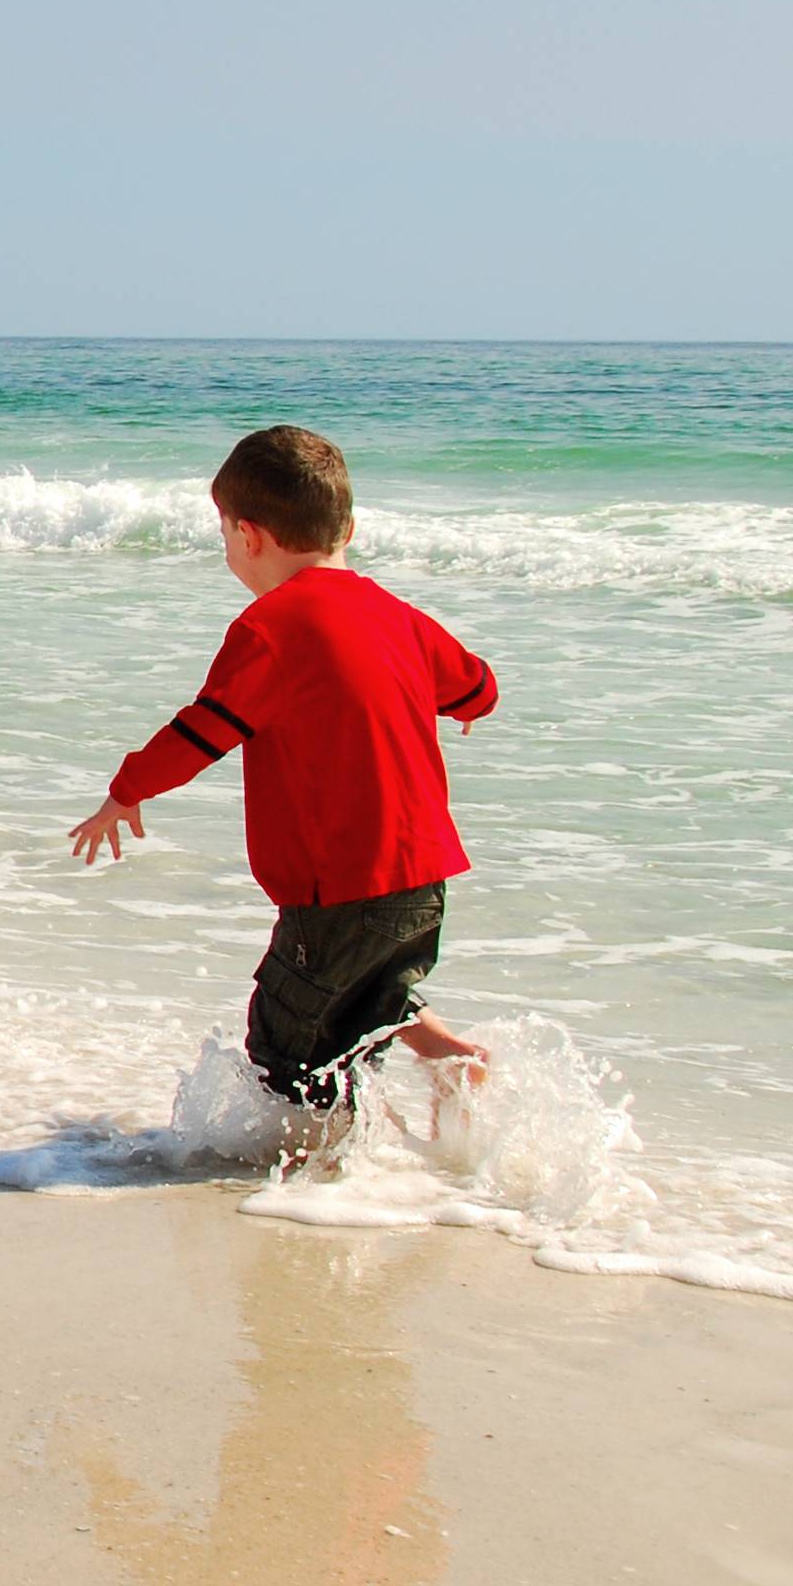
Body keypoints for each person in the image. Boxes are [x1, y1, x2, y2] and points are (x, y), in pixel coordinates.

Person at [67, 424, 496, 1109]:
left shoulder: (269, 629)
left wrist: (126, 792)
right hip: (423, 879)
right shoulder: (399, 616)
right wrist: (469, 705)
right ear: (347, 527)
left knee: (287, 1051)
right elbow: (474, 685)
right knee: (369, 994)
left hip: (340, 888)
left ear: (247, 535)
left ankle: (314, 1180)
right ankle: (448, 1058)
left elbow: (201, 730)